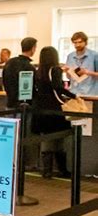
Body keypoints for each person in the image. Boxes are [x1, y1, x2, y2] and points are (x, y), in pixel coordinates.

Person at [31, 46, 76, 179]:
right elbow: (58, 88)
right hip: (54, 109)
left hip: (41, 109)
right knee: (60, 140)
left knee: (46, 139)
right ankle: (63, 170)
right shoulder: (55, 70)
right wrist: (73, 96)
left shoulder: (38, 71)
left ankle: (46, 171)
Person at [2, 37, 37, 108]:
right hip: (24, 107)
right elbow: (31, 89)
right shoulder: (29, 67)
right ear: (33, 48)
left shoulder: (9, 63)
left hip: (10, 103)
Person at [65, 31, 98, 96]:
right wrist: (67, 72)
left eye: (80, 42)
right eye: (75, 43)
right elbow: (68, 77)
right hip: (74, 93)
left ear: (85, 42)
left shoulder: (94, 55)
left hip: (90, 94)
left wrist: (87, 72)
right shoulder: (70, 56)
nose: (77, 45)